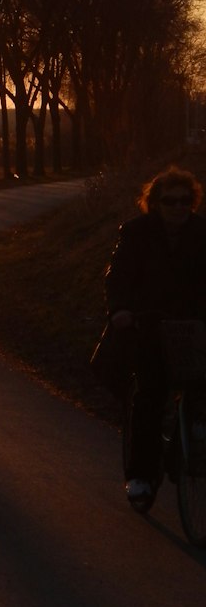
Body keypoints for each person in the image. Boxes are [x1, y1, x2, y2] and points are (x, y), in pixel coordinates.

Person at [103, 165, 206, 510]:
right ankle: (141, 475)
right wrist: (120, 310)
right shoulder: (136, 233)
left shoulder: (202, 233)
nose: (179, 207)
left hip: (194, 325)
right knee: (149, 396)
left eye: (185, 201)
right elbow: (118, 277)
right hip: (149, 326)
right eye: (170, 201)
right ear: (155, 203)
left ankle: (190, 443)